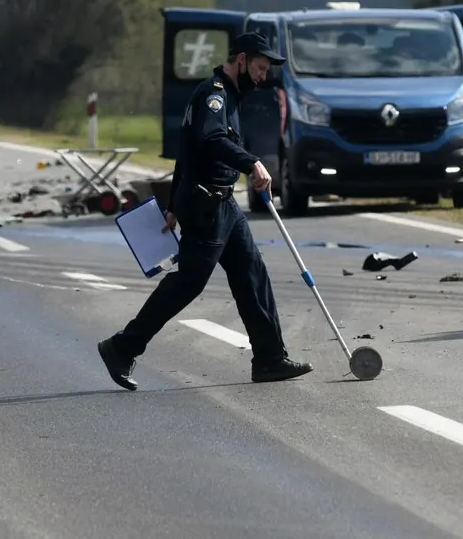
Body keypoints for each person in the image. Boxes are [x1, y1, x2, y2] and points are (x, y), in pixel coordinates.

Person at [98, 32, 314, 390]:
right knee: (188, 283)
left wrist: (171, 203)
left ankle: (270, 358)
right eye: (260, 68)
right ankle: (122, 347)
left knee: (251, 273)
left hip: (223, 202)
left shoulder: (229, 94)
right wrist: (252, 164)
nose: (262, 76)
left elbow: (188, 152)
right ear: (242, 60)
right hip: (206, 205)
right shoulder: (214, 95)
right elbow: (210, 141)